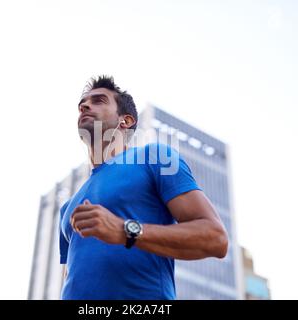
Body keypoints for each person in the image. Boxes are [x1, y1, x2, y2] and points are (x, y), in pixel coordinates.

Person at [59, 75, 228, 299]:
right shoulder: (67, 208)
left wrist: (125, 230)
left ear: (125, 121)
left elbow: (216, 238)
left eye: (99, 100)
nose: (85, 106)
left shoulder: (155, 157)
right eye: (82, 105)